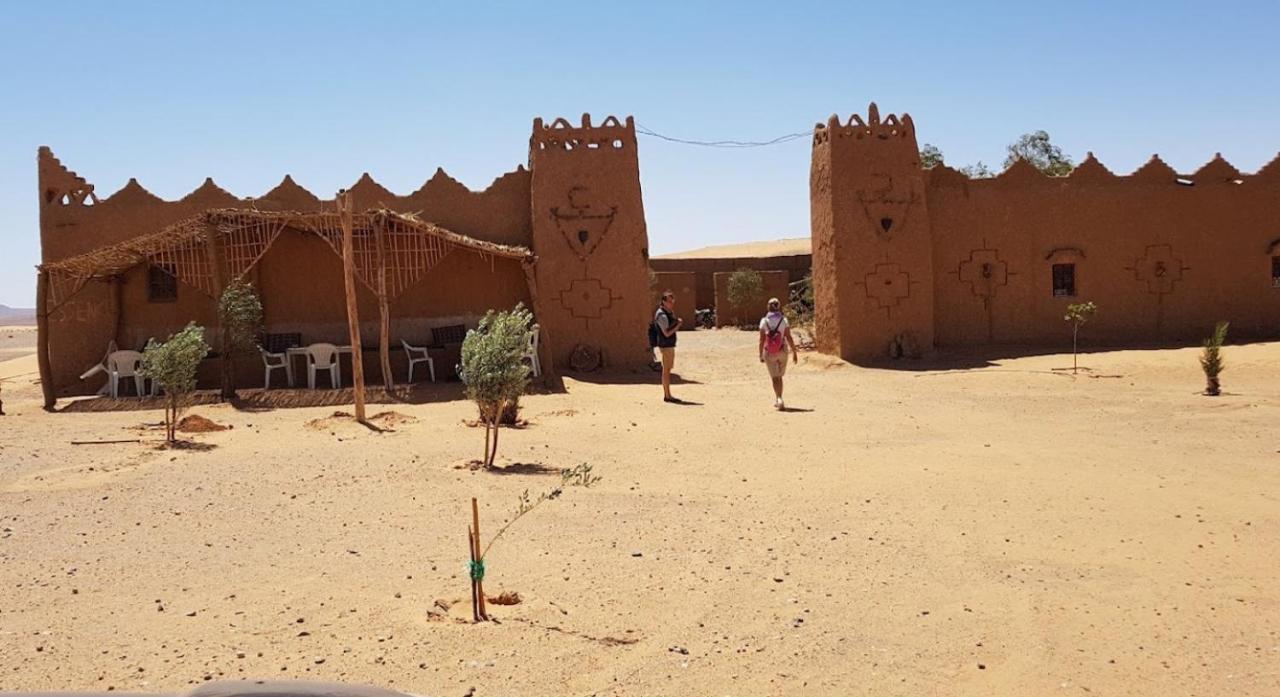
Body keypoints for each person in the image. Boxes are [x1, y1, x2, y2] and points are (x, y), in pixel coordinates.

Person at [758, 297, 798, 410]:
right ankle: (778, 397)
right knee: (779, 376)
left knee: (775, 377)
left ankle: (779, 398)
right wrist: (794, 351)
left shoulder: (764, 321)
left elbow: (761, 340)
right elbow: (788, 337)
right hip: (782, 351)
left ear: (768, 307)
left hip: (769, 352)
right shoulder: (784, 320)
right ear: (779, 307)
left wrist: (760, 354)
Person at [651, 290, 682, 402]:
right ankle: (667, 395)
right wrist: (678, 325)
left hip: (669, 345)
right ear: (663, 302)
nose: (671, 303)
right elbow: (666, 333)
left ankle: (668, 394)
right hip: (666, 345)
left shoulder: (667, 313)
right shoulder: (662, 315)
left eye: (672, 301)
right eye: (669, 301)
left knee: (667, 369)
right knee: (666, 370)